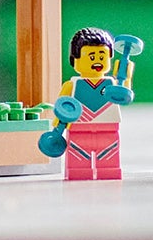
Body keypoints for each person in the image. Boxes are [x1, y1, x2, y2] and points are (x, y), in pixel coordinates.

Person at [54, 27, 135, 181]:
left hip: (108, 130)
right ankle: (78, 171)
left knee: (108, 157)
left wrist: (127, 77)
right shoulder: (72, 85)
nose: (97, 61)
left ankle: (108, 170)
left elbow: (124, 95)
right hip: (79, 131)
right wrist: (57, 129)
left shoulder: (112, 85)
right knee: (78, 158)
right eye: (91, 56)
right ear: (74, 60)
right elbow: (62, 107)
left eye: (102, 56)